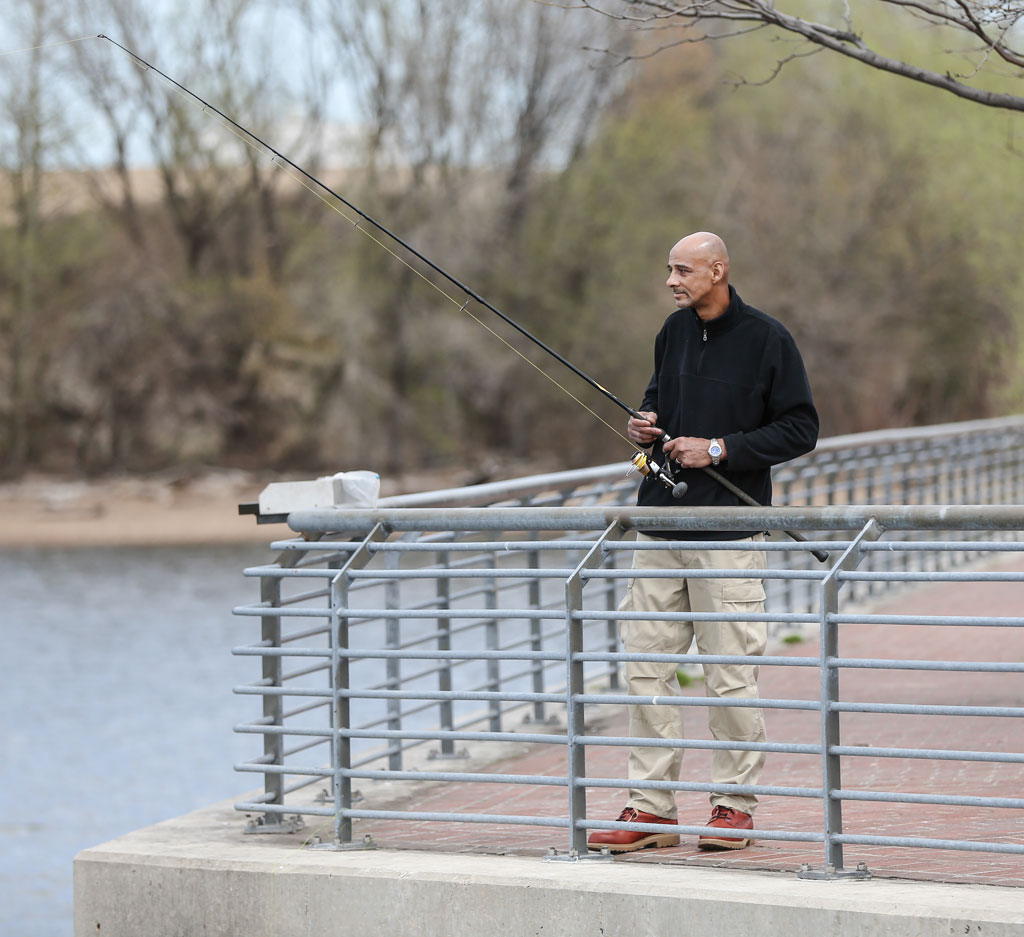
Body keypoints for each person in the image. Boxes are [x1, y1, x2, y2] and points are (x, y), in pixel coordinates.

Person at [587, 232, 818, 853]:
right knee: (646, 670)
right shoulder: (673, 332)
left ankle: (732, 807)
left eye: (682, 270)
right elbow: (657, 401)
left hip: (729, 534)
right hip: (659, 528)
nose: (671, 280)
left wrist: (718, 449)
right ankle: (650, 809)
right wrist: (644, 424)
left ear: (717, 270)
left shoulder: (768, 339)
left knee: (729, 676)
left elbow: (801, 428)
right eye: (670, 269)